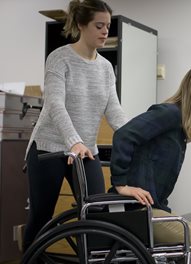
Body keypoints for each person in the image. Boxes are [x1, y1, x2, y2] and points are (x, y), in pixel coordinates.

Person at [23, 0, 127, 252]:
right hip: (49, 148)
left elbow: (113, 110)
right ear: (81, 25)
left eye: (108, 26)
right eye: (99, 25)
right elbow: (55, 105)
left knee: (96, 211)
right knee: (42, 216)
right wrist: (74, 141)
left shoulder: (105, 68)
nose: (105, 31)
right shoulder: (59, 58)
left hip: (83, 150)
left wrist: (135, 137)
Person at [110, 63, 191, 264]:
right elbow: (124, 135)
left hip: (152, 208)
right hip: (137, 212)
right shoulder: (169, 113)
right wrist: (121, 185)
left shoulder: (180, 124)